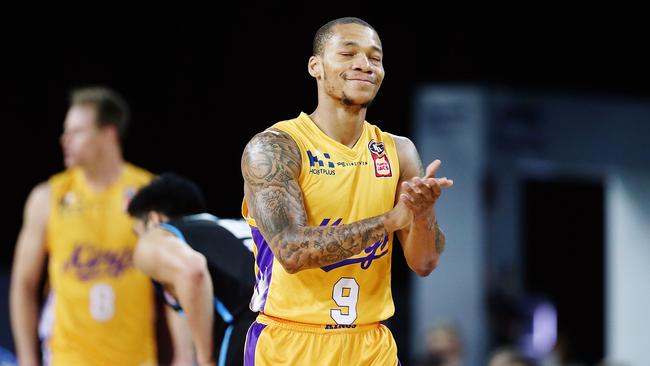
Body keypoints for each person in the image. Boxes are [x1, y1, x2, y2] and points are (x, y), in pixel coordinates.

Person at [240, 17, 453, 365]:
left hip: (371, 343)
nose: (364, 64)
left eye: (375, 57)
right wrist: (391, 220)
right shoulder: (276, 148)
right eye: (348, 53)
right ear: (316, 66)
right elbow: (292, 253)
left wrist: (422, 213)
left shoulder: (398, 151)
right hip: (291, 342)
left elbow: (425, 263)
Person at [9, 86, 164, 366]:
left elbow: (172, 283)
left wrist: (185, 356)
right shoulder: (48, 197)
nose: (64, 139)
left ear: (108, 134)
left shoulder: (148, 193)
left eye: (76, 131)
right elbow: (23, 285)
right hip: (68, 357)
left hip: (137, 359)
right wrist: (27, 360)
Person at [127, 173, 257, 366]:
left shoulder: (158, 235)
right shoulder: (237, 227)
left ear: (154, 219)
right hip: (300, 325)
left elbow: (192, 271)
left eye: (137, 232)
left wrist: (205, 358)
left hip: (250, 332)